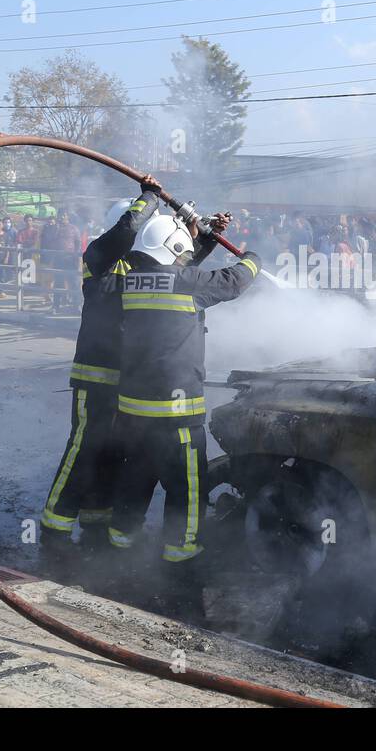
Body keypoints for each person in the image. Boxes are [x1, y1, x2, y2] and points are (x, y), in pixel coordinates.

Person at [108, 211, 260, 603]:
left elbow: (179, 273)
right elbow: (233, 281)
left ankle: (118, 545)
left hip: (133, 412)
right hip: (176, 415)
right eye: (181, 252)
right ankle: (181, 558)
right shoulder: (185, 282)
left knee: (134, 480)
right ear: (173, 249)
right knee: (187, 488)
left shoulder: (131, 281)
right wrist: (253, 259)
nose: (183, 258)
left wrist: (201, 239)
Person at [40, 180, 165, 568]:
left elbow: (183, 270)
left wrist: (203, 238)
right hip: (94, 377)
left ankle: (97, 524)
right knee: (83, 450)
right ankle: (53, 531)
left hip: (126, 381)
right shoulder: (100, 257)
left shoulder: (139, 268)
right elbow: (127, 230)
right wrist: (150, 197)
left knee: (112, 453)